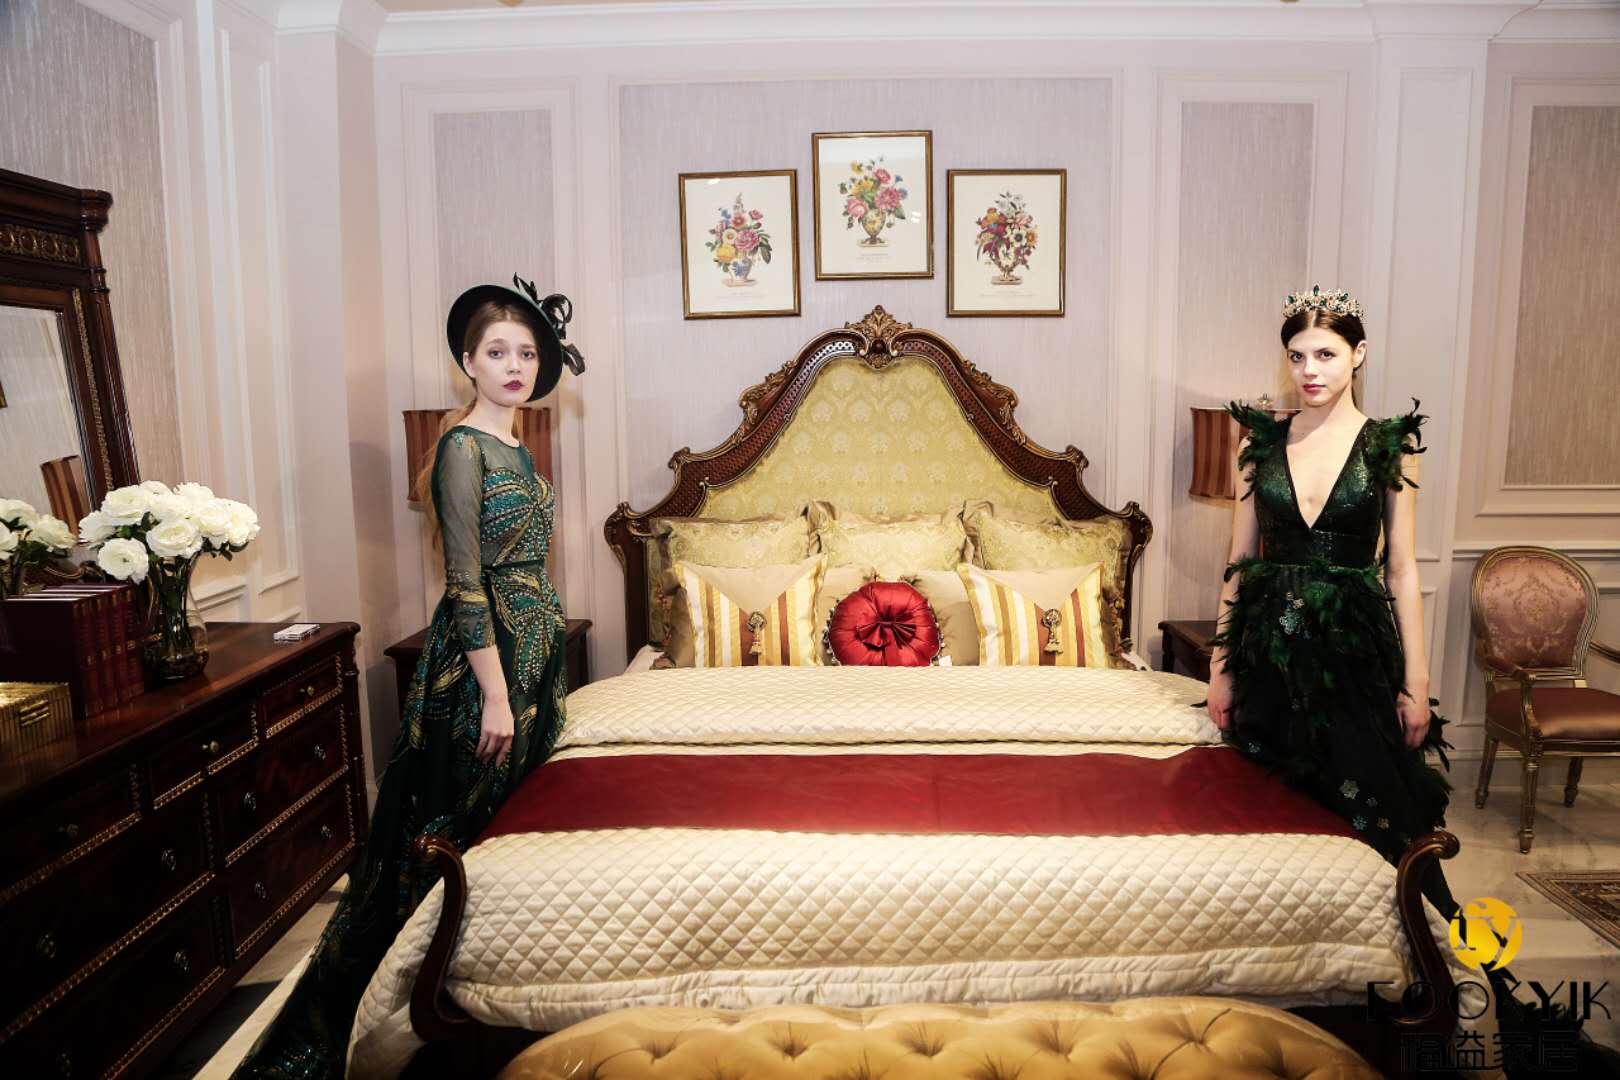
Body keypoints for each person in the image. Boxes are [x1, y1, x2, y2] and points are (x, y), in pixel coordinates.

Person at [232, 276, 585, 1079]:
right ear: (468, 361)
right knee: (451, 827)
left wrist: (533, 676)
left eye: (527, 354)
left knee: (500, 826)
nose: (515, 366)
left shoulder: (519, 447)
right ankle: (409, 1000)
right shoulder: (462, 448)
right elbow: (465, 580)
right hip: (484, 663)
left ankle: (482, 984)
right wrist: (495, 694)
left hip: (532, 651)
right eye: (497, 352)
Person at [1202, 285, 1457, 915]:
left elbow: (1401, 569)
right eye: (1297, 356)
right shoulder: (1258, 444)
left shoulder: (1388, 445)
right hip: (1269, 651)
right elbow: (1239, 562)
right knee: (1274, 807)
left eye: (1325, 355)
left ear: (1358, 355)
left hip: (1352, 650)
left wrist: (1416, 682)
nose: (1309, 371)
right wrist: (1219, 668)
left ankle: (1434, 940)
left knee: (1375, 799)